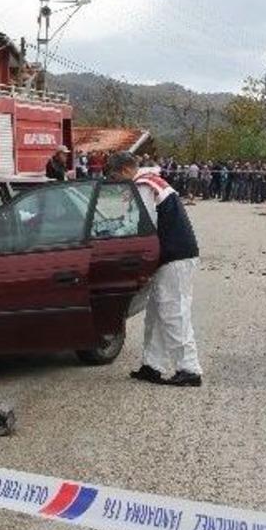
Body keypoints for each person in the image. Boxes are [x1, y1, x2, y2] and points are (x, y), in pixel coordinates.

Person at [106, 151, 202, 387]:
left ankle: (189, 369)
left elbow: (143, 225)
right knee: (156, 314)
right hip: (171, 255)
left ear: (127, 169)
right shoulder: (151, 181)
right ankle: (152, 365)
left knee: (174, 312)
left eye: (115, 175)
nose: (115, 181)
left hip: (174, 256)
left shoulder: (143, 186)